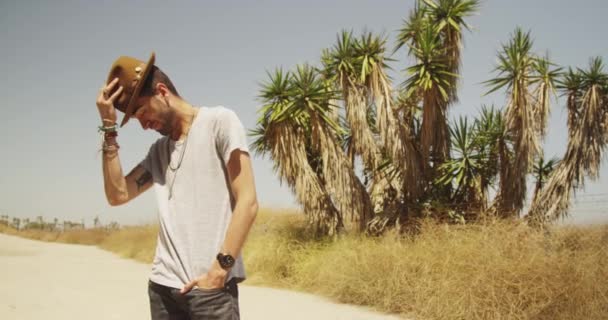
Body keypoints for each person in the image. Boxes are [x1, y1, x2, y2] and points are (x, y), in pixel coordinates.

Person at [96, 52, 258, 320]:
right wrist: (109, 128)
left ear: (162, 91)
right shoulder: (159, 152)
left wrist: (220, 270)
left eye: (142, 112)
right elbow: (117, 195)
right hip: (162, 291)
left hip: (209, 293)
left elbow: (248, 202)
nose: (144, 125)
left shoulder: (219, 122)